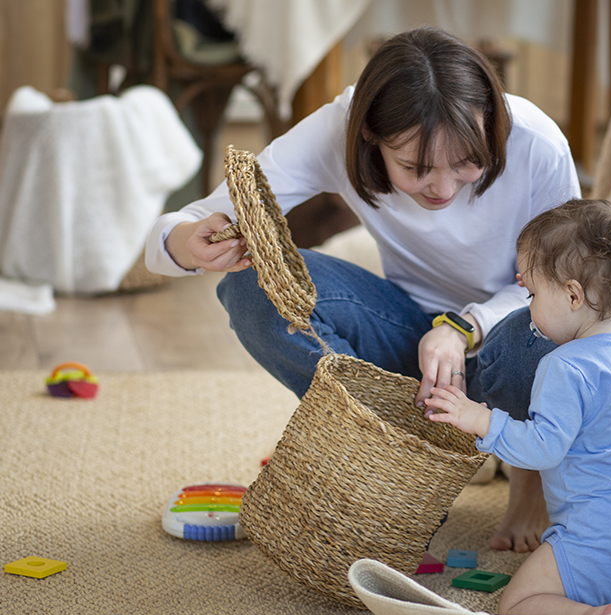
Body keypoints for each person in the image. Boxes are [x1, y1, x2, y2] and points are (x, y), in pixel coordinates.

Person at [144, 26, 577, 553]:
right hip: (405, 342)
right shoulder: (339, 128)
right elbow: (192, 219)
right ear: (371, 133)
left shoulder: (537, 143)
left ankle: (523, 474)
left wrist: (462, 328)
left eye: (468, 162)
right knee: (251, 284)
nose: (442, 187)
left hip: (509, 344)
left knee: (553, 327)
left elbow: (565, 289)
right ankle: (402, 452)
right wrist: (186, 242)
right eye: (416, 169)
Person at [424, 199, 611, 615]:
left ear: (573, 295)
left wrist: (479, 418)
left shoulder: (564, 367)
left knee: (517, 603)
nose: (528, 308)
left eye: (532, 294)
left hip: (593, 539)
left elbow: (543, 448)